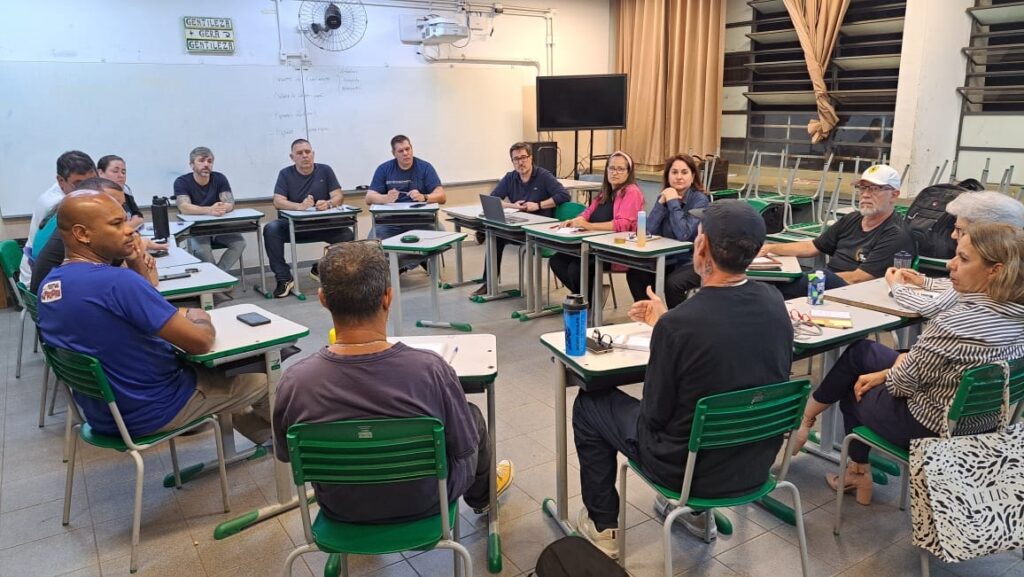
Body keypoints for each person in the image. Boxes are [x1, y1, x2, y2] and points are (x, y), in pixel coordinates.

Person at [573, 201, 793, 557]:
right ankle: (697, 516)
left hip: (687, 470)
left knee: (590, 403)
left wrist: (667, 328)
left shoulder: (680, 325)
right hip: (755, 462)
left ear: (702, 247)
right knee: (719, 402)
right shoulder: (773, 302)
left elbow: (655, 416)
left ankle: (603, 526)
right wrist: (666, 322)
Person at [272, 240, 514, 524]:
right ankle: (483, 498)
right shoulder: (431, 370)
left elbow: (287, 455)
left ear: (323, 299)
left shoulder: (294, 381)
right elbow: (463, 449)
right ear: (388, 297)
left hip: (340, 508)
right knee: (470, 417)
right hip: (427, 500)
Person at [791, 223, 1024, 505]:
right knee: (863, 352)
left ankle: (854, 468)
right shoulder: (1015, 315)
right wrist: (894, 367)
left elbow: (901, 386)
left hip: (929, 426)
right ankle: (810, 423)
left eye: (963, 259)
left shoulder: (955, 323)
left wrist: (889, 372)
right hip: (980, 422)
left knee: (856, 386)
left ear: (995, 270)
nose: (950, 265)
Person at [36, 190, 271, 443]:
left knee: (226, 387)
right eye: (117, 224)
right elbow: (200, 342)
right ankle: (294, 460)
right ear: (82, 234)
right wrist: (201, 316)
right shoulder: (117, 282)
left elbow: (145, 308)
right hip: (158, 408)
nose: (130, 231)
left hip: (105, 416)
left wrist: (136, 262)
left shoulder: (50, 286)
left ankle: (267, 441)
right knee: (267, 378)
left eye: (126, 220)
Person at [758, 164, 915, 300]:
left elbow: (859, 278)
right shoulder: (852, 219)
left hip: (856, 293)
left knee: (774, 289)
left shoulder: (896, 234)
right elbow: (813, 246)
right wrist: (769, 248)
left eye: (875, 189)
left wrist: (812, 278)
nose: (866, 194)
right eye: (863, 188)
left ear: (894, 195)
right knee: (767, 280)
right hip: (827, 283)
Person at [888, 190, 1024, 317]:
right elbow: (953, 292)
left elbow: (932, 307)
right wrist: (924, 281)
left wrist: (896, 286)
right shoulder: (1013, 265)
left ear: (986, 233)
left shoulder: (984, 270)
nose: (953, 235)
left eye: (959, 229)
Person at [472, 142, 570, 296]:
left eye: (523, 157)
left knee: (493, 233)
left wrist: (538, 205)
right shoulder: (511, 177)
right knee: (495, 237)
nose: (520, 162)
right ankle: (488, 283)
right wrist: (512, 206)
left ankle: (482, 234)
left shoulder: (543, 176)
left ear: (531, 158)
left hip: (539, 231)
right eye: (516, 159)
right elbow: (493, 199)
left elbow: (564, 195)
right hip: (519, 227)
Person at [31, 177, 157, 294]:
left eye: (123, 205)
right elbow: (150, 294)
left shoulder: (75, 227)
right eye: (112, 203)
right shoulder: (93, 240)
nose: (121, 211)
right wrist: (137, 259)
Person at [263, 139, 353, 298]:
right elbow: (278, 201)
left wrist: (329, 203)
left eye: (307, 152)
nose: (305, 156)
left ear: (313, 154)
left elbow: (338, 196)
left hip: (321, 225)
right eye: (299, 153)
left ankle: (320, 267)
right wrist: (299, 207)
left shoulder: (325, 170)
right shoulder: (285, 174)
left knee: (347, 234)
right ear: (292, 157)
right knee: (271, 229)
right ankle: (284, 278)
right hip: (294, 227)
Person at [548, 151, 644, 300]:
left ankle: (587, 303)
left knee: (576, 268)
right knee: (557, 261)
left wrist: (589, 226)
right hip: (592, 245)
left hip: (614, 250)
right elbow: (588, 212)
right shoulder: (605, 192)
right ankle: (591, 296)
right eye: (611, 168)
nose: (615, 172)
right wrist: (575, 221)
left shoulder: (631, 192)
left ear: (628, 172)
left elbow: (622, 225)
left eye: (620, 169)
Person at [624, 154, 709, 308]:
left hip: (690, 260)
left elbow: (684, 234)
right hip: (666, 258)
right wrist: (661, 204)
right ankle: (650, 317)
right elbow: (647, 231)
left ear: (693, 176)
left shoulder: (700, 199)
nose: (679, 177)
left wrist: (672, 202)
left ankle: (677, 326)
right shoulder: (664, 197)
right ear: (668, 176)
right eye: (674, 172)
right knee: (635, 273)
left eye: (684, 172)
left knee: (672, 284)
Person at [366, 135, 446, 272]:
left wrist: (425, 197)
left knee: (443, 237)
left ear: (412, 148)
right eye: (400, 151)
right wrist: (385, 198)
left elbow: (442, 196)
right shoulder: (384, 169)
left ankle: (404, 264)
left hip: (421, 220)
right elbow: (369, 198)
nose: (406, 153)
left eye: (408, 149)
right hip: (390, 221)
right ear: (393, 153)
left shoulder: (425, 167)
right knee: (372, 245)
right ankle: (414, 259)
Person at [19, 151, 97, 288]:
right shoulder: (60, 204)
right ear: (61, 180)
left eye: (92, 182)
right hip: (41, 280)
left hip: (50, 270)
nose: (88, 190)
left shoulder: (70, 194)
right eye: (78, 184)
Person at [173, 146, 246, 274]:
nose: (206, 164)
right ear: (191, 164)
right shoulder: (182, 182)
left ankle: (219, 276)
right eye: (201, 160)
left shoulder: (219, 178)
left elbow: (229, 202)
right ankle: (218, 281)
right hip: (196, 230)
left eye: (210, 161)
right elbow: (184, 207)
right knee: (202, 250)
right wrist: (209, 210)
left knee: (239, 243)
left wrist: (223, 207)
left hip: (219, 227)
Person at [97, 154, 143, 228]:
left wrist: (127, 227)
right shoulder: (95, 197)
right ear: (100, 173)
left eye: (123, 172)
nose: (121, 175)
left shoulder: (126, 191)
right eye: (115, 171)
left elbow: (139, 216)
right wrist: (129, 227)